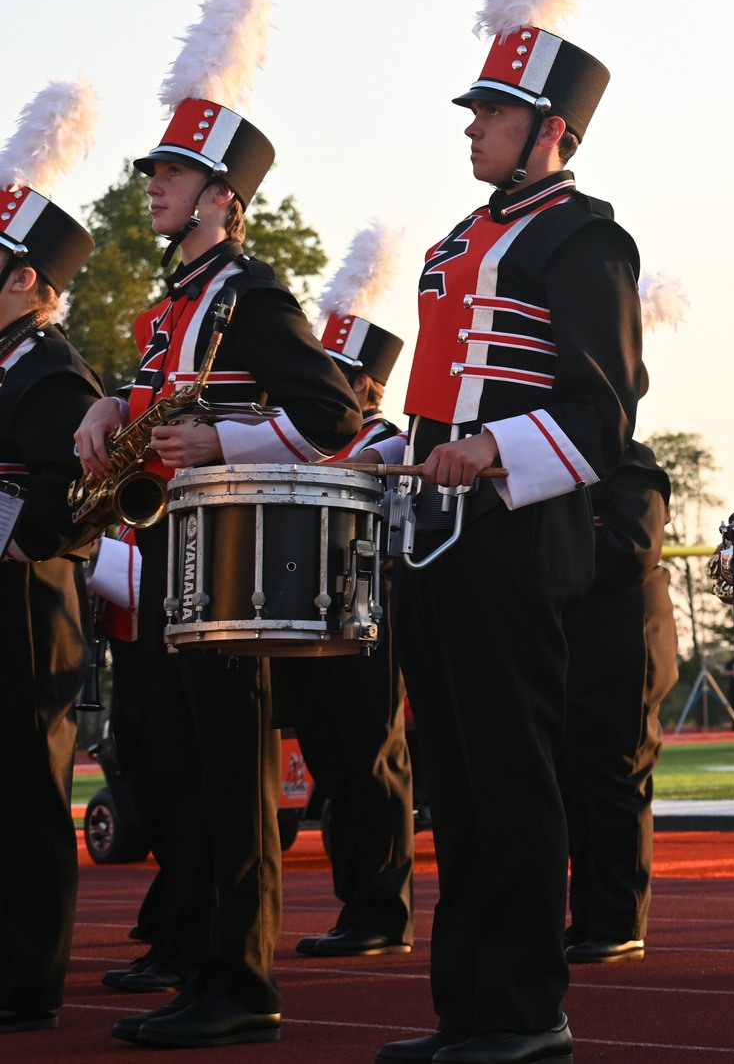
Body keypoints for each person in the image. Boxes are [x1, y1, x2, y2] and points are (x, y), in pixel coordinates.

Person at [376, 0, 642, 1064]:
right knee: (460, 782)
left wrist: (493, 451)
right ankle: (467, 1011)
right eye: (478, 107)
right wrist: (404, 445)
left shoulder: (584, 239)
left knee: (516, 773)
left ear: (554, 133)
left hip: (518, 534)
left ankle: (527, 1009)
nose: (473, 128)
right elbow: (438, 393)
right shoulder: (452, 246)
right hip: (434, 531)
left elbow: (602, 407)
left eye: (495, 111)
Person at [75, 0, 362, 1047]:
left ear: (222, 196)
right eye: (156, 168)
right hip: (168, 562)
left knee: (233, 777)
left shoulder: (251, 298)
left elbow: (333, 415)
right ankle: (201, 960)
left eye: (177, 172)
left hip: (233, 567)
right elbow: (157, 408)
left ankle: (240, 984)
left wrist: (221, 442)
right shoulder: (170, 309)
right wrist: (112, 403)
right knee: (189, 774)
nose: (154, 185)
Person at [280, 228, 418, 960]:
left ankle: (383, 909)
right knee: (331, 761)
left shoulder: (391, 440)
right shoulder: (306, 438)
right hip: (309, 611)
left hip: (367, 608)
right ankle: (354, 902)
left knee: (371, 757)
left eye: (340, 373)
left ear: (368, 383)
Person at [0, 80, 105, 1034]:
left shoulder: (51, 369)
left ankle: (27, 983)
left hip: (29, 611)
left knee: (29, 800)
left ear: (27, 278)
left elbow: (68, 505)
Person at [562, 440, 679, 964]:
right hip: (577, 643)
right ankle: (588, 918)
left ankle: (619, 922)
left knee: (615, 779)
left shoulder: (629, 462)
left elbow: (631, 547)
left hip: (623, 640)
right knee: (578, 789)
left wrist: (542, 544)